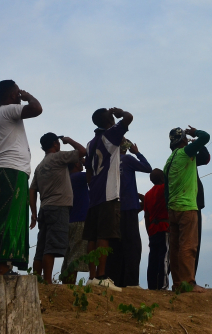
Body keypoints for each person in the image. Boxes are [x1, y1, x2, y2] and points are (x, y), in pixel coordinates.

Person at [0, 80, 42, 276]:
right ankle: (2, 268)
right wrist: (28, 96)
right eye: (17, 92)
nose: (19, 94)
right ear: (12, 95)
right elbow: (37, 109)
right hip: (13, 170)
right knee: (10, 218)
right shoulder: (9, 109)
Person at [83, 107, 132, 290]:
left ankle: (92, 276)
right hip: (109, 192)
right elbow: (129, 117)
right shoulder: (111, 135)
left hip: (94, 193)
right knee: (104, 234)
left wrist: (92, 187)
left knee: (92, 237)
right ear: (110, 120)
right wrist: (121, 113)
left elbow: (88, 169)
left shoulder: (90, 143)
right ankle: (102, 277)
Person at [29, 133, 87, 284]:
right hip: (59, 207)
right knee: (51, 247)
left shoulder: (40, 166)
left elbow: (32, 189)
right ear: (55, 144)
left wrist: (34, 212)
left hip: (44, 208)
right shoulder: (58, 157)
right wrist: (69, 140)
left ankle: (37, 281)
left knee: (41, 248)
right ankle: (48, 282)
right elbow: (82, 151)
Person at [164, 126, 210, 293]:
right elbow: (205, 137)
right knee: (188, 246)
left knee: (175, 248)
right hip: (187, 207)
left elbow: (166, 190)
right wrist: (195, 133)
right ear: (183, 140)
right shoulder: (186, 153)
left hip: (172, 209)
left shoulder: (168, 161)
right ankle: (188, 283)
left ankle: (177, 284)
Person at [106, 138, 151, 287]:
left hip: (112, 209)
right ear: (126, 148)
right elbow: (147, 168)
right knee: (132, 246)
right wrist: (137, 153)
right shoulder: (128, 159)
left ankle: (115, 281)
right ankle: (131, 282)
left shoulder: (109, 161)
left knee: (115, 245)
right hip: (129, 208)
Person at [60, 157, 90, 285]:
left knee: (69, 254)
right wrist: (87, 162)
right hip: (80, 220)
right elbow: (93, 175)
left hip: (69, 220)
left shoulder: (67, 180)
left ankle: (66, 284)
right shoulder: (78, 177)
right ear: (76, 164)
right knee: (76, 256)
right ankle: (70, 286)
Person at [143, 168, 169, 290]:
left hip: (153, 229)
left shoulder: (147, 195)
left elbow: (146, 216)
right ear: (162, 178)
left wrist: (149, 232)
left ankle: (152, 287)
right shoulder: (166, 189)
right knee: (164, 257)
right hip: (165, 227)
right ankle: (162, 285)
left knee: (153, 258)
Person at [193, 145, 210, 277]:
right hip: (192, 205)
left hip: (180, 205)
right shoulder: (188, 156)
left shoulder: (172, 160)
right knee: (194, 244)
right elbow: (206, 158)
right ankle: (190, 278)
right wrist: (198, 143)